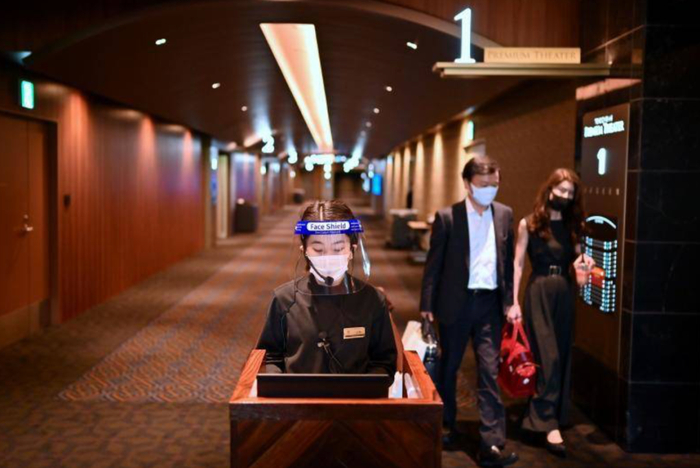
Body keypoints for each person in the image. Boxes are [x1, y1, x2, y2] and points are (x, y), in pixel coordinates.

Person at [420, 156, 518, 467]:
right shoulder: (448, 217)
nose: (490, 190)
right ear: (467, 184)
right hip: (455, 304)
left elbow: (507, 262)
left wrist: (510, 301)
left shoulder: (504, 214)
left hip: (489, 305)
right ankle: (448, 425)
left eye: (495, 184)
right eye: (483, 184)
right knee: (449, 368)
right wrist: (426, 306)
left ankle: (491, 442)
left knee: (489, 370)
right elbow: (433, 266)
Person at [507, 168, 594, 457]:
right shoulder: (530, 223)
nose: (565, 196)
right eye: (561, 190)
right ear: (550, 189)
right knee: (548, 356)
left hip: (565, 292)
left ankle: (551, 413)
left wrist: (584, 268)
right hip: (539, 292)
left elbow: (580, 259)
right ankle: (547, 423)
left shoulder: (573, 225)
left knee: (562, 354)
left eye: (570, 193)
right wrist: (513, 301)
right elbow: (518, 264)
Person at [257, 199, 397, 376]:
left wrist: (366, 386)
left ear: (352, 250)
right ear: (304, 250)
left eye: (338, 249)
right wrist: (276, 381)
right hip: (297, 392)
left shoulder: (372, 300)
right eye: (318, 249)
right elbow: (269, 357)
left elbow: (384, 362)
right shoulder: (284, 299)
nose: (328, 257)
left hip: (356, 393)